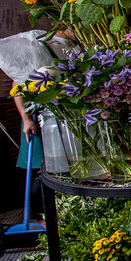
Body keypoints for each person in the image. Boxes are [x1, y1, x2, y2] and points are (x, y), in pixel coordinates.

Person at [4, 29, 77, 226]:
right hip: (37, 119)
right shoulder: (39, 49)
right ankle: (33, 216)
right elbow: (17, 89)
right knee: (40, 168)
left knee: (59, 168)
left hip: (59, 116)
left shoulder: (68, 49)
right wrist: (26, 120)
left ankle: (57, 213)